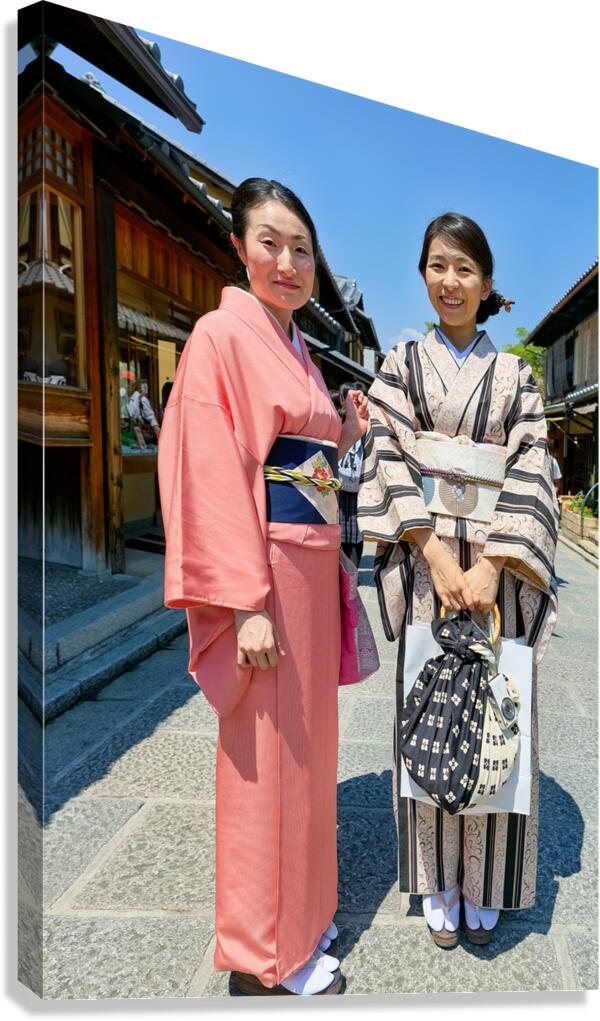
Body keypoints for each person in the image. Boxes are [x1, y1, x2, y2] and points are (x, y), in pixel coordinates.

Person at [158, 178, 368, 995]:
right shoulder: (220, 334)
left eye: (302, 248)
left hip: (309, 571)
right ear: (240, 248)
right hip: (267, 576)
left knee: (307, 756)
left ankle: (305, 918)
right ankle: (263, 953)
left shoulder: (295, 346)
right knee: (265, 764)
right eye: (271, 243)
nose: (287, 261)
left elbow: (307, 462)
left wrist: (341, 433)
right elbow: (213, 473)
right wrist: (242, 601)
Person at [357, 211, 558, 948]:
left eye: (465, 268)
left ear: (487, 283)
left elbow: (535, 464)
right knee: (431, 715)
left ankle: (487, 878)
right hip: (425, 568)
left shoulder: (516, 377)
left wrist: (493, 563)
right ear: (423, 272)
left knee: (498, 715)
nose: (450, 280)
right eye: (438, 265)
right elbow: (383, 448)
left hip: (495, 578)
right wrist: (441, 557)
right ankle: (438, 877)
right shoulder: (402, 364)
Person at [337, 381, 366, 570]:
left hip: (356, 485)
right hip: (342, 483)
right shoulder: (337, 418)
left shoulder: (367, 422)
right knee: (343, 530)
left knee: (356, 531)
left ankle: (351, 573)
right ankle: (346, 571)